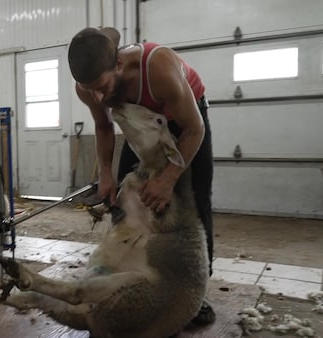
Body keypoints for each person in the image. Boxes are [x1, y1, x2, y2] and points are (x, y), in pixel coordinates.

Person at [68, 27, 215, 325]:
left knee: (195, 204)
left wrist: (168, 179)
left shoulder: (157, 66)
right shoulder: (88, 87)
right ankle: (123, 273)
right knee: (122, 199)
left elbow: (194, 129)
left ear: (119, 65)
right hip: (141, 123)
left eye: (102, 86)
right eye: (89, 89)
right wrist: (106, 174)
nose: (96, 96)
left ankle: (193, 295)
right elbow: (104, 126)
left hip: (184, 124)